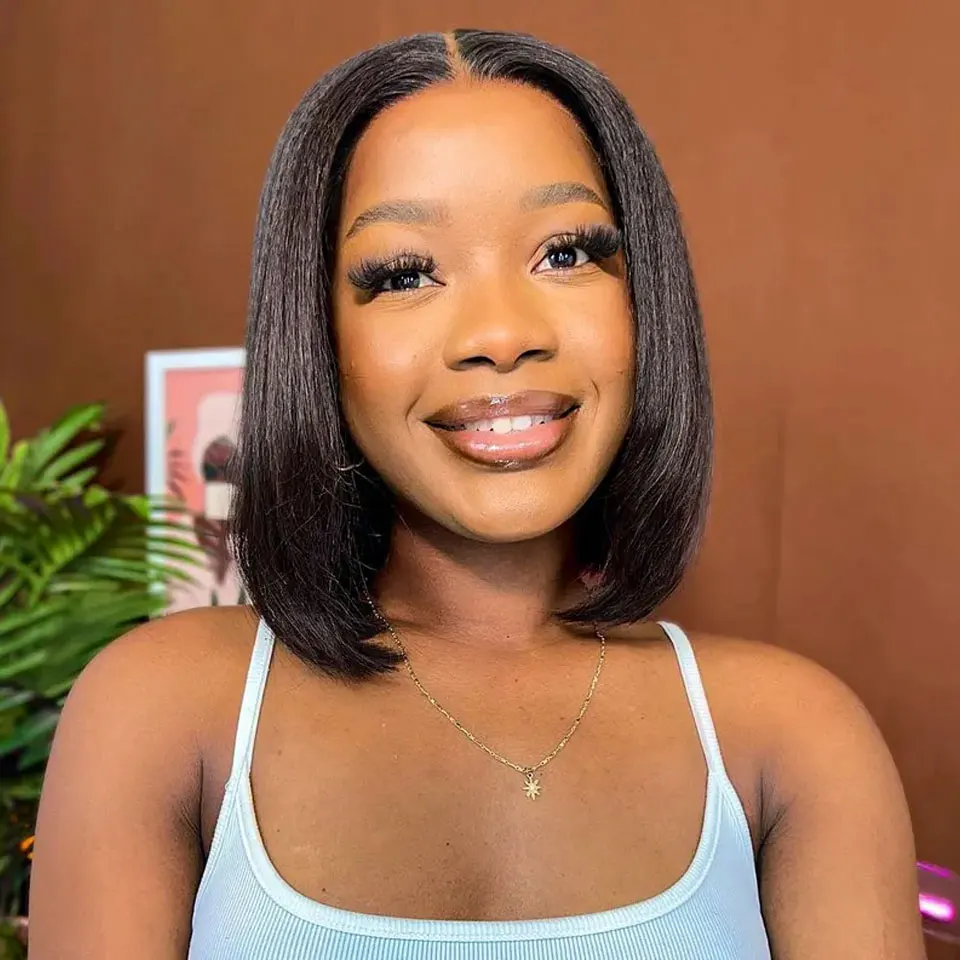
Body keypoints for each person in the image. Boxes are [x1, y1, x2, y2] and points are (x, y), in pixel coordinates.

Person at [28, 29, 926, 959]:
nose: (500, 334)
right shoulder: (160, 712)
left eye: (565, 254)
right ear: (320, 335)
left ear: (642, 303)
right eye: (405, 273)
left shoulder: (796, 739)